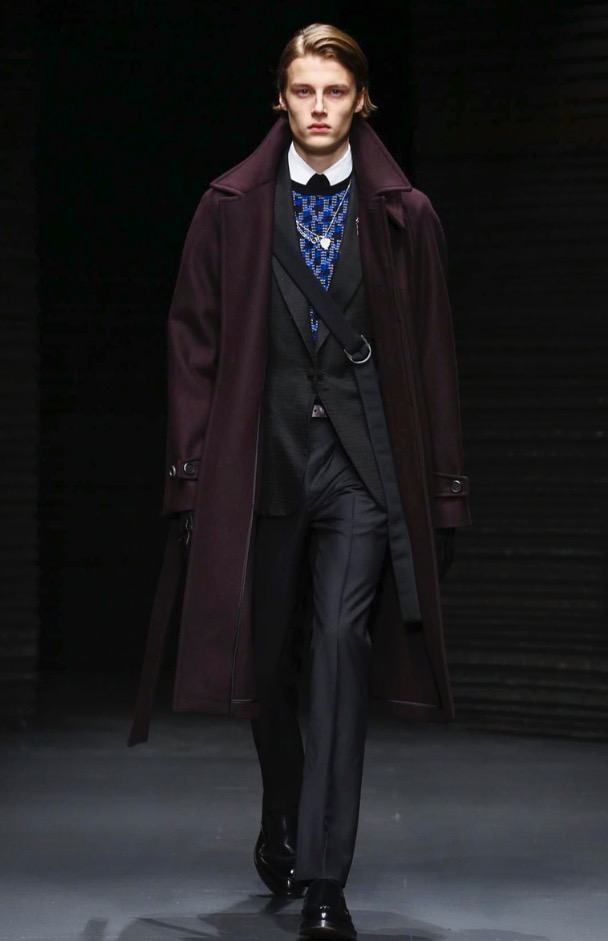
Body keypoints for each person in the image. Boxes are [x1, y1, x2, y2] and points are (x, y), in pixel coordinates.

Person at [129, 22, 470, 941]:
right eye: (304, 91)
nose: (319, 108)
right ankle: (282, 806)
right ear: (280, 100)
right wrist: (189, 472)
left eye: (335, 92)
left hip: (364, 469)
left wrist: (444, 486)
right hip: (261, 463)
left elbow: (433, 355)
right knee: (270, 661)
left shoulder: (404, 215)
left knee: (339, 650)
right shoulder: (229, 209)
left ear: (362, 101)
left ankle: (326, 878)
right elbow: (193, 344)